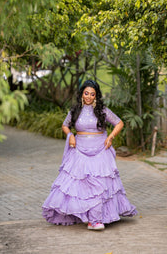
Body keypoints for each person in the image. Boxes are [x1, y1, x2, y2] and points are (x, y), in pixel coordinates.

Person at [42, 80, 137, 230]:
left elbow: (119, 123)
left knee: (99, 185)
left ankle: (95, 220)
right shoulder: (75, 111)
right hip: (80, 150)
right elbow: (65, 125)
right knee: (80, 185)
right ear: (81, 94)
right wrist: (70, 135)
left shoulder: (103, 110)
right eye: (86, 93)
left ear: (96, 96)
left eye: (92, 94)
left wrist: (111, 137)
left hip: (100, 150)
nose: (89, 97)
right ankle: (86, 216)